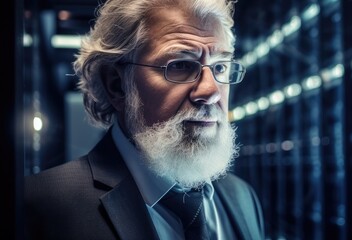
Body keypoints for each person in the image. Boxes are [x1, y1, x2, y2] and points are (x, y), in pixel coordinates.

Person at [24, 0, 264, 239]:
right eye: (180, 65)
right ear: (117, 85)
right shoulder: (40, 206)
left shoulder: (242, 197)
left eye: (220, 67)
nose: (211, 92)